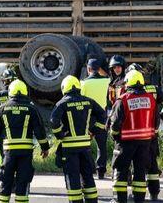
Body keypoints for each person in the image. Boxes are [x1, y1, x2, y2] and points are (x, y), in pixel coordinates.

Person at [0, 79, 49, 203]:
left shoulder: (1, 109)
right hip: (25, 153)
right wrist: (45, 148)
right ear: (25, 92)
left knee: (5, 184)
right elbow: (40, 131)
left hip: (8, 153)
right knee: (22, 185)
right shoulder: (31, 109)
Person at [51, 75, 106, 203]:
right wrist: (94, 131)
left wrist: (60, 135)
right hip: (85, 147)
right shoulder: (88, 101)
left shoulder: (62, 103)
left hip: (69, 148)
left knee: (73, 178)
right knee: (88, 177)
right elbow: (102, 114)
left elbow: (54, 122)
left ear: (64, 88)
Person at [109, 70, 158, 203]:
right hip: (145, 143)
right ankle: (139, 200)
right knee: (140, 173)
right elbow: (156, 122)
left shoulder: (123, 100)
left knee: (121, 171)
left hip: (125, 143)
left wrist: (115, 137)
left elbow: (115, 124)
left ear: (128, 83)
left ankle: (120, 200)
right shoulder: (151, 99)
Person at [80, 58, 111, 179]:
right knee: (101, 145)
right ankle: (101, 171)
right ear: (99, 69)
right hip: (102, 117)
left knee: (84, 144)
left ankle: (88, 168)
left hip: (87, 117)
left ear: (88, 69)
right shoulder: (106, 81)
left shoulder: (83, 83)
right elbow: (110, 77)